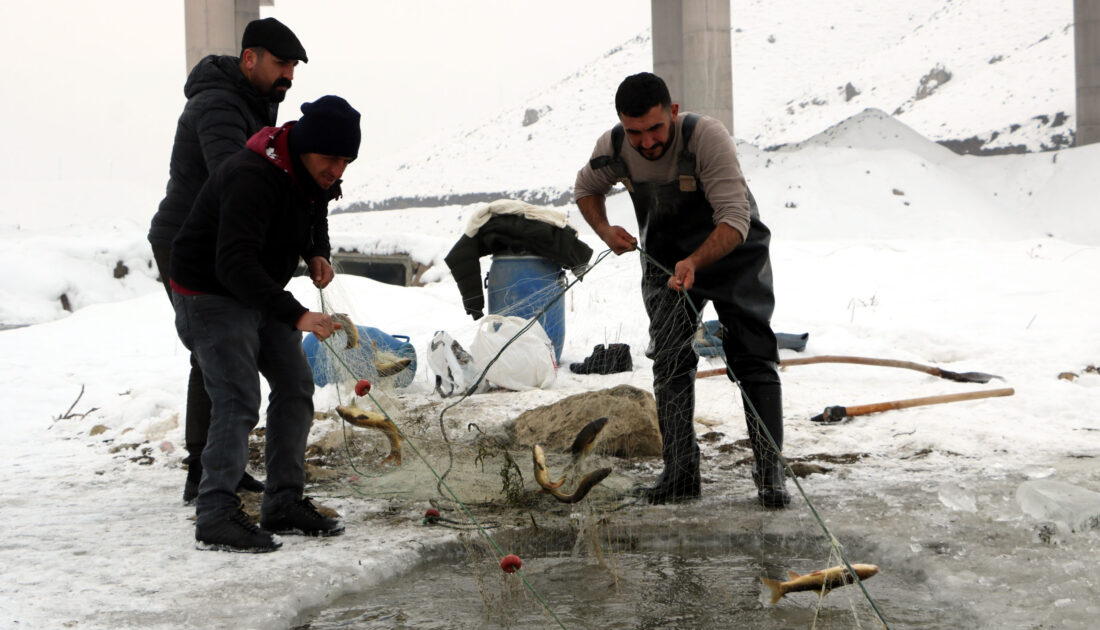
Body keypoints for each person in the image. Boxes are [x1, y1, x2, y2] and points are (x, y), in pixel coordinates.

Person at [573, 72, 790, 508]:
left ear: (672, 112)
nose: (647, 142)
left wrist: (695, 262)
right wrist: (604, 230)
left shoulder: (706, 138)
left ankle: (770, 475)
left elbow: (734, 218)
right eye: (635, 132)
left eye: (655, 128)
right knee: (669, 359)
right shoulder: (613, 149)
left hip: (734, 252)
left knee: (752, 355)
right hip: (664, 260)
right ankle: (680, 474)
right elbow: (585, 190)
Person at [170, 95, 361, 552]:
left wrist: (318, 251)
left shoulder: (311, 172)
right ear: (306, 146)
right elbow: (234, 264)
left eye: (347, 161)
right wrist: (296, 314)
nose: (338, 170)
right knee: (237, 396)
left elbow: (317, 208)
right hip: (210, 290)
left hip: (258, 288)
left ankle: (283, 501)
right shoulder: (249, 176)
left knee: (296, 385)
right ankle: (215, 513)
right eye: (331, 158)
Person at [148, 17, 308, 504]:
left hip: (219, 236)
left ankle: (219, 466)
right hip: (187, 241)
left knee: (218, 351)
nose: (290, 76)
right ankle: (206, 473)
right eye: (282, 64)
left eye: (294, 67)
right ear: (250, 59)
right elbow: (234, 178)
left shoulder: (254, 103)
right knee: (213, 349)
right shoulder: (218, 105)